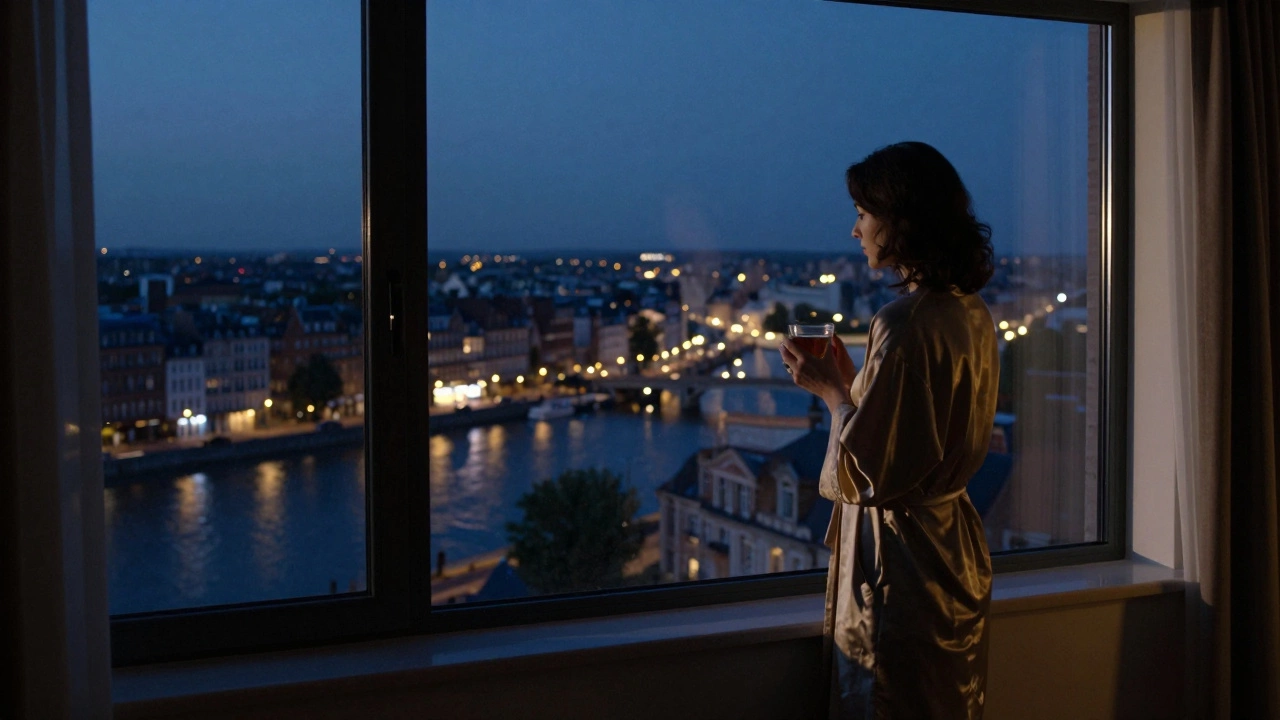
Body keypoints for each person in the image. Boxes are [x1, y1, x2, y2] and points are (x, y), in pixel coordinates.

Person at [780, 141, 998, 719]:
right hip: (951, 549)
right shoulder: (969, 310)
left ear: (899, 219)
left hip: (900, 560)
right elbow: (919, 433)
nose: (856, 231)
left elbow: (869, 474)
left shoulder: (902, 323)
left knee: (889, 699)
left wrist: (828, 392)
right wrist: (857, 386)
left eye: (862, 213)